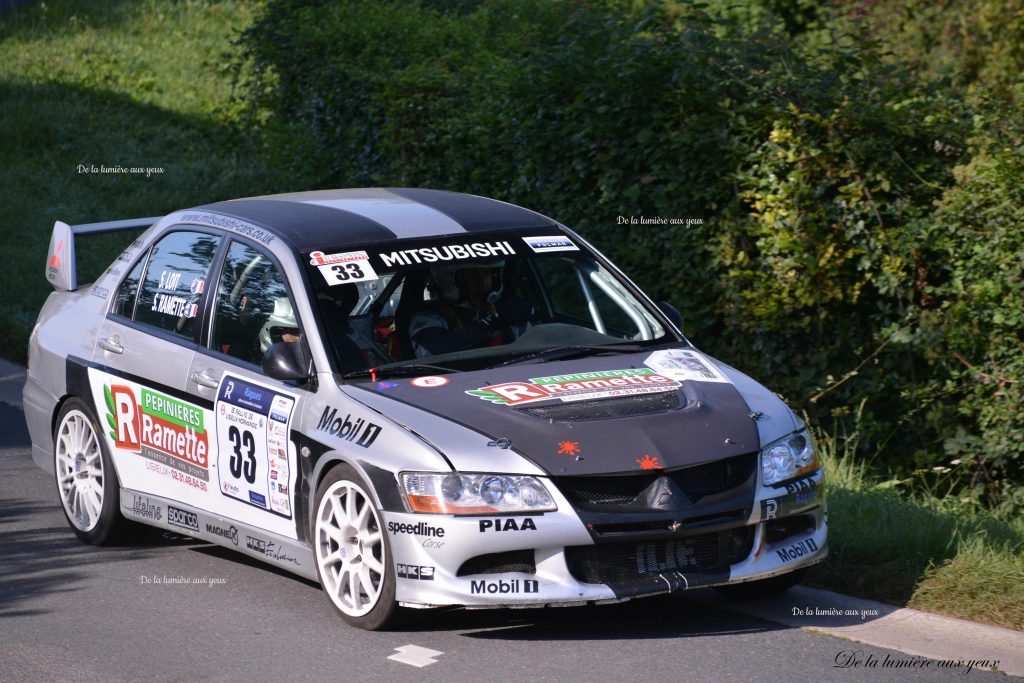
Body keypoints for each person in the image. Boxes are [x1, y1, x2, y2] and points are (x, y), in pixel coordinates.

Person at [409, 261, 532, 358]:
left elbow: (535, 345)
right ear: (450, 280)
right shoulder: (427, 318)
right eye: (473, 275)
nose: (483, 283)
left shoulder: (504, 312)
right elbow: (434, 352)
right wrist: (492, 321)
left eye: (486, 274)